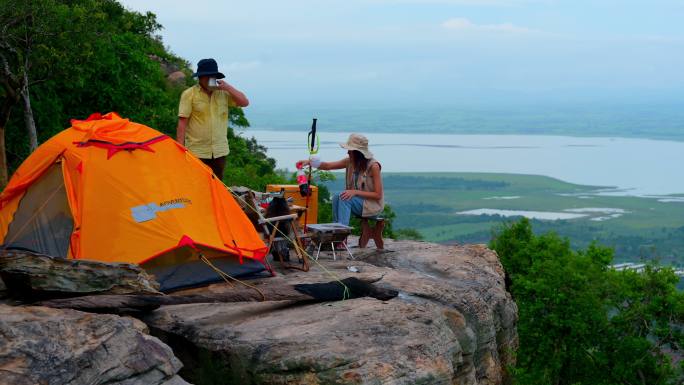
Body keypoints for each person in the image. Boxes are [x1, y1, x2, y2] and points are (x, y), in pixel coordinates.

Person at [176, 58, 249, 177]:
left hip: (219, 152)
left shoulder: (223, 93)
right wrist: (180, 148)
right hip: (196, 151)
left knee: (217, 185)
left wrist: (228, 87)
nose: (211, 79)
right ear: (200, 78)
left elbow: (244, 102)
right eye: (208, 76)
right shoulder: (189, 94)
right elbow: (182, 122)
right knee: (197, 185)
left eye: (213, 76)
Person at [299, 133, 384, 226]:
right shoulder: (350, 161)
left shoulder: (373, 166)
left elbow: (378, 195)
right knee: (337, 196)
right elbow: (328, 166)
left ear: (357, 153)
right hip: (358, 202)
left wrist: (355, 192)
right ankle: (336, 227)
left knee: (344, 199)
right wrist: (310, 162)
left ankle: (341, 231)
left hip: (371, 206)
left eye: (350, 151)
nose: (347, 153)